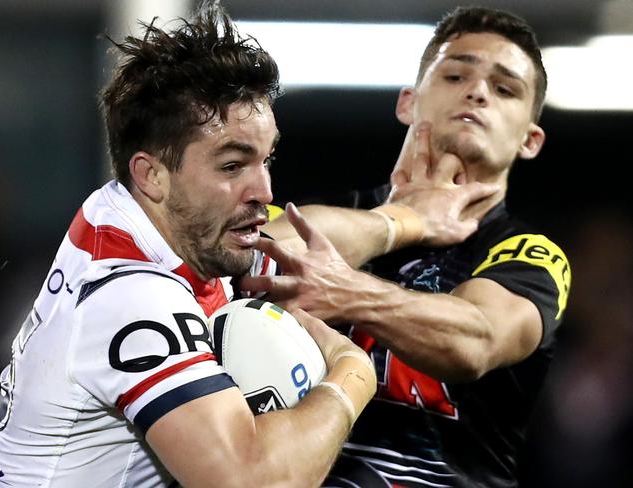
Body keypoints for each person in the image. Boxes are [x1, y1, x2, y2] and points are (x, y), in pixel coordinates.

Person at [0, 3, 384, 486]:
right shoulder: (133, 298)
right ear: (151, 174)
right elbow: (252, 481)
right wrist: (351, 374)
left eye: (266, 159)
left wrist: (402, 223)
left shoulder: (130, 215)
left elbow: (298, 234)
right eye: (232, 166)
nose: (265, 191)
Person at [242, 6, 572, 487]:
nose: (477, 91)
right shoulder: (324, 213)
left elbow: (473, 340)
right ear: (407, 103)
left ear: (531, 140)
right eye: (456, 74)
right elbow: (245, 257)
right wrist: (404, 221)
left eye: (504, 89)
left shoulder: (527, 252)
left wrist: (349, 292)